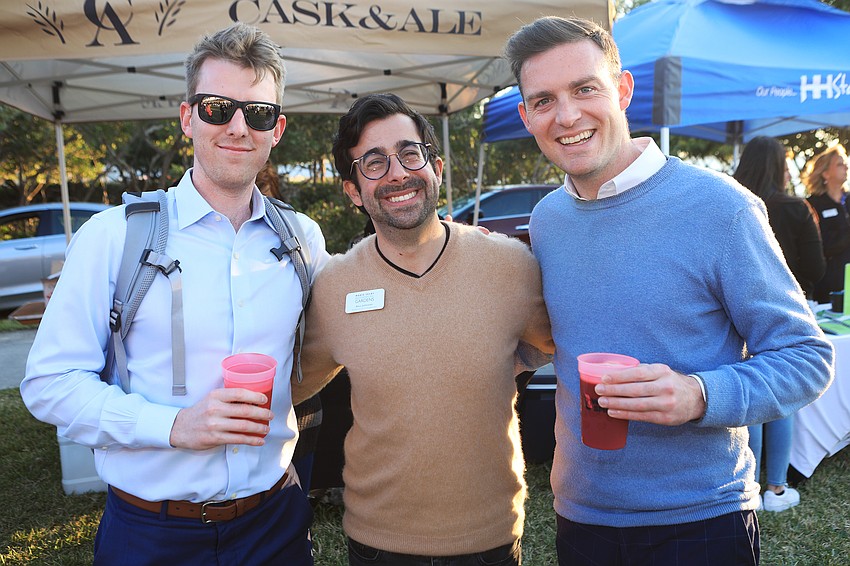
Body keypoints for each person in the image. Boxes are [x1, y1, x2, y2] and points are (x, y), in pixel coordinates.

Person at [504, 16, 834, 565]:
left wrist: (699, 394)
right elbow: (547, 338)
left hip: (701, 521)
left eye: (585, 89)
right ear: (527, 116)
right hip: (581, 517)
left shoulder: (719, 208)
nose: (567, 116)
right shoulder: (548, 220)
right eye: (543, 100)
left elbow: (807, 357)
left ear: (624, 90)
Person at [21, 23, 328, 565]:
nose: (237, 126)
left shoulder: (301, 238)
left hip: (275, 524)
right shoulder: (115, 235)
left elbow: (338, 333)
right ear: (188, 118)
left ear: (276, 129)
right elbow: (49, 384)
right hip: (151, 533)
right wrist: (172, 426)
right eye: (216, 108)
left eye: (256, 113)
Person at [291, 93, 555, 566]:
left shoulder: (509, 265)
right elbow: (286, 388)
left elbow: (563, 342)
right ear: (352, 191)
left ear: (433, 166)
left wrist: (509, 360)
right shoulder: (334, 286)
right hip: (376, 547)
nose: (397, 173)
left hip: (490, 543)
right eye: (373, 163)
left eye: (409, 154)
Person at [734, 136, 826, 513]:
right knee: (781, 398)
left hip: (734, 312)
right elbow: (817, 269)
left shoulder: (729, 200)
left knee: (749, 396)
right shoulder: (795, 207)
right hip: (786, 311)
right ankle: (776, 488)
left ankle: (749, 487)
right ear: (780, 165)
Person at [804, 144, 850, 304]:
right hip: (828, 286)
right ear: (825, 173)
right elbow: (821, 246)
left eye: (845, 162)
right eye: (839, 164)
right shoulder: (812, 205)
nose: (846, 166)